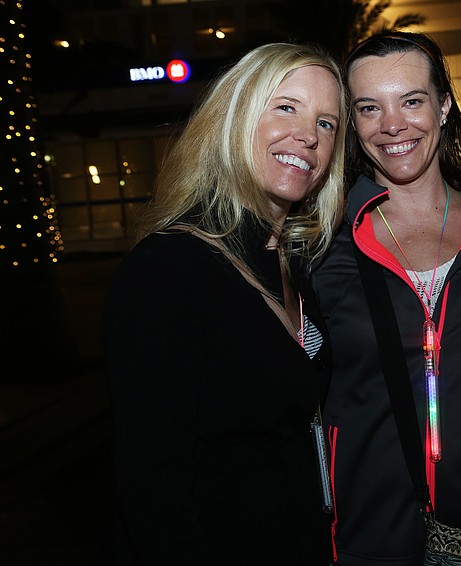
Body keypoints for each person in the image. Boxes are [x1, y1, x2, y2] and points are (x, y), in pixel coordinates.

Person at [101, 42, 347, 565]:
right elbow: (153, 489)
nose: (308, 134)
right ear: (234, 118)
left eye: (327, 124)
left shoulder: (294, 263)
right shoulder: (169, 269)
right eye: (286, 107)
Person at [311, 32, 461, 565]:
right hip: (368, 538)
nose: (392, 125)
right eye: (369, 107)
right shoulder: (323, 245)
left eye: (411, 100)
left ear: (444, 106)